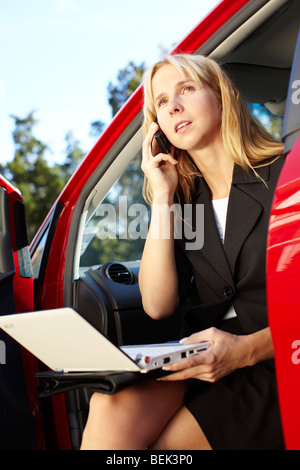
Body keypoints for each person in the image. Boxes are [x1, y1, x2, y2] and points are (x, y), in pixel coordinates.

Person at [80, 54, 285, 450]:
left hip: (271, 355)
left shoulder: (285, 173)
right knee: (109, 404)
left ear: (221, 97)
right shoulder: (186, 205)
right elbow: (157, 304)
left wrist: (244, 351)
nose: (172, 105)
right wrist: (162, 196)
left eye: (186, 89)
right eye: (160, 102)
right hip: (205, 357)